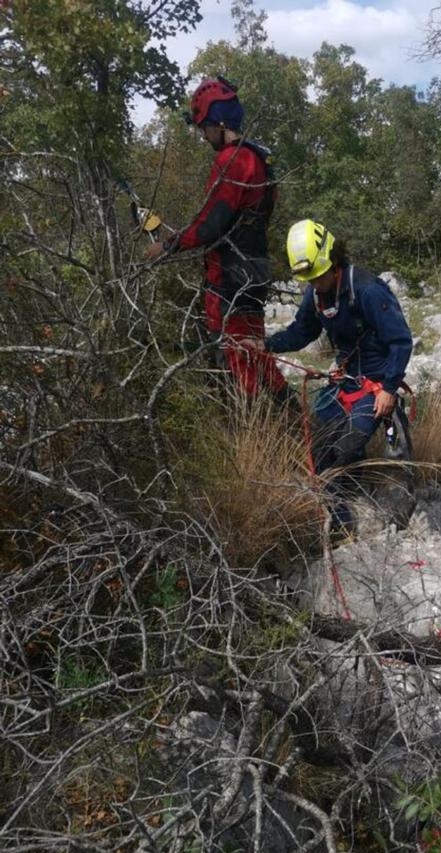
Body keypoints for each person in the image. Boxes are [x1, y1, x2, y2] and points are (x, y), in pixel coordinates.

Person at [145, 76, 295, 408]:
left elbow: (211, 225)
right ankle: (292, 419)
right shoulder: (259, 158)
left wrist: (167, 245)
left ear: (220, 122)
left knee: (236, 359)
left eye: (205, 126)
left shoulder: (233, 160)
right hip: (254, 270)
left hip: (229, 277)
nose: (203, 134)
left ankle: (253, 434)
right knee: (254, 352)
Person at [264, 219, 413, 530]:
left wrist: (388, 388)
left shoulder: (368, 290)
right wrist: (267, 345)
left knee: (347, 443)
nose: (315, 284)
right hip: (345, 379)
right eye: (309, 279)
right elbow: (301, 332)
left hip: (376, 383)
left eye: (318, 276)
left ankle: (357, 489)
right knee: (319, 444)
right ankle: (338, 507)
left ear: (334, 261)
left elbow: (400, 341)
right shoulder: (316, 295)